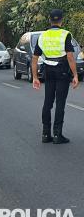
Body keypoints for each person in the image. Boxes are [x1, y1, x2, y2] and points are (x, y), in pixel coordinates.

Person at [32, 9, 79, 144]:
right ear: (61, 20)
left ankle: (46, 134)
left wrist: (35, 77)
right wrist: (75, 75)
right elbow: (70, 56)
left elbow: (35, 58)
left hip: (48, 70)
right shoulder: (65, 35)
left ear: (49, 20)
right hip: (62, 70)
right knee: (60, 103)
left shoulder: (43, 36)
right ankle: (58, 135)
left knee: (48, 102)